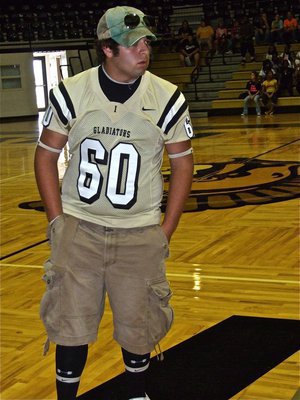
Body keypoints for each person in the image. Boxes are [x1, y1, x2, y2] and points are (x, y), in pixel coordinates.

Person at [34, 6, 194, 400]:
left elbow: (184, 165)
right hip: (79, 228)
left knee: (139, 325)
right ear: (108, 49)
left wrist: (165, 229)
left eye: (146, 42)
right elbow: (45, 155)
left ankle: (136, 392)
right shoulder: (72, 92)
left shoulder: (167, 97)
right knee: (71, 324)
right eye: (133, 44)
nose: (144, 50)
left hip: (138, 231)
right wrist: (58, 221)